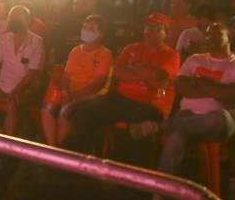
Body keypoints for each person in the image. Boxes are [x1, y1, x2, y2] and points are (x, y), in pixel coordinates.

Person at [141, 23, 235, 200]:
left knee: (217, 119)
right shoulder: (194, 59)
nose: (211, 37)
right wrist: (215, 90)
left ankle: (161, 126)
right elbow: (182, 87)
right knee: (175, 139)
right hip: (187, 116)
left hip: (218, 117)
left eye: (218, 33)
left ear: (230, 38)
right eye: (209, 34)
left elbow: (233, 95)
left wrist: (201, 82)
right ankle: (158, 197)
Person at [58, 13, 179, 152]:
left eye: (156, 28)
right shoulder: (131, 49)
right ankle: (81, 161)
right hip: (120, 98)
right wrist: (146, 74)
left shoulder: (171, 55)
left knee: (136, 127)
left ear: (166, 33)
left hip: (150, 103)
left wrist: (133, 69)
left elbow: (159, 76)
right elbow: (118, 72)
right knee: (81, 115)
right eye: (147, 27)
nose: (149, 31)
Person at [0, 6, 45, 137]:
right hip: (2, 85)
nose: (14, 21)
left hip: (24, 88)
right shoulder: (5, 38)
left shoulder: (37, 42)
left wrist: (17, 91)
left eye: (18, 18)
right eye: (12, 18)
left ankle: (9, 145)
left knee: (12, 104)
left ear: (28, 21)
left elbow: (32, 73)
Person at [46, 15, 114, 147]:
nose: (86, 30)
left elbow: (98, 83)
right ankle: (52, 147)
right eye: (85, 27)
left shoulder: (105, 54)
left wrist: (75, 96)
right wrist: (66, 92)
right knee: (47, 107)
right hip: (71, 92)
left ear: (101, 34)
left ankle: (60, 149)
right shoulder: (75, 51)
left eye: (91, 29)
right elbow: (66, 76)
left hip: (91, 96)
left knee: (66, 111)